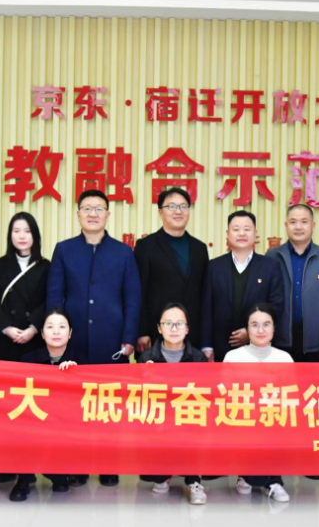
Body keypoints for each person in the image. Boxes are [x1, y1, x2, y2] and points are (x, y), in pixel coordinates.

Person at [46, 189, 141, 487]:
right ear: (78, 215)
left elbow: (133, 298)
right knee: (75, 405)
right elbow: (54, 296)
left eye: (99, 208)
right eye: (87, 208)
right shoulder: (64, 249)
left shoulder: (123, 252)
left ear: (108, 215)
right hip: (73, 340)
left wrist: (129, 336)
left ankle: (108, 464)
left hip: (111, 339)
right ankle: (79, 464)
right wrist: (56, 335)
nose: (93, 213)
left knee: (109, 403)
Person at [137, 303, 209, 505]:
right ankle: (162, 476)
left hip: (189, 415)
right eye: (168, 323)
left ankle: (194, 481)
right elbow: (137, 398)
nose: (174, 329)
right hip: (159, 418)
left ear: (187, 329)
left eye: (179, 324)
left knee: (194, 425)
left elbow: (206, 396)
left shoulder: (198, 358)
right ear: (159, 328)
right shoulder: (147, 357)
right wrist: (146, 377)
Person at [222, 303, 292, 502]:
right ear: (247, 328)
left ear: (274, 328)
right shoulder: (233, 357)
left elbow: (291, 399)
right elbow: (224, 397)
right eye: (254, 325)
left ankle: (273, 481)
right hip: (242, 422)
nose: (261, 330)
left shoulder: (285, 359)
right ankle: (246, 476)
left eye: (266, 324)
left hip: (274, 422)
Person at [199, 210, 285, 363]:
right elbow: (206, 308)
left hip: (259, 347)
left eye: (247, 229)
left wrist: (251, 331)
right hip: (220, 348)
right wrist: (207, 346)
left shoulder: (271, 267)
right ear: (228, 234)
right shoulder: (213, 267)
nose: (241, 233)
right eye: (236, 229)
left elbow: (276, 305)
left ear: (255, 233)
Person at [266, 204, 319, 363]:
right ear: (286, 225)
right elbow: (264, 299)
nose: (298, 227)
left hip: (317, 345)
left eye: (304, 222)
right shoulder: (272, 257)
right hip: (278, 341)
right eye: (293, 222)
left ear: (313, 225)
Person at [135, 188, 208, 355]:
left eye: (183, 206)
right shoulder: (146, 246)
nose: (178, 211)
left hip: (192, 333)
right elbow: (139, 291)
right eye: (172, 206)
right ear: (160, 212)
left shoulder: (200, 248)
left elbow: (205, 296)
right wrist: (141, 331)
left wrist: (206, 342)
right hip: (156, 333)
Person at [26, 310, 88, 498]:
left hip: (68, 428)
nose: (56, 332)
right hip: (38, 424)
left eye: (62, 327)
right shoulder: (28, 360)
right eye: (50, 327)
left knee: (61, 482)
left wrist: (75, 374)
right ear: (42, 333)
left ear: (70, 333)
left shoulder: (83, 361)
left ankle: (62, 472)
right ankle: (24, 478)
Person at [0, 212, 49, 362]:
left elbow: (49, 300)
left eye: (27, 231)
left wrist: (34, 328)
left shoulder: (46, 267)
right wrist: (6, 327)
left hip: (35, 340)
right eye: (16, 231)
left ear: (35, 235)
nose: (21, 236)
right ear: (10, 235)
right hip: (4, 339)